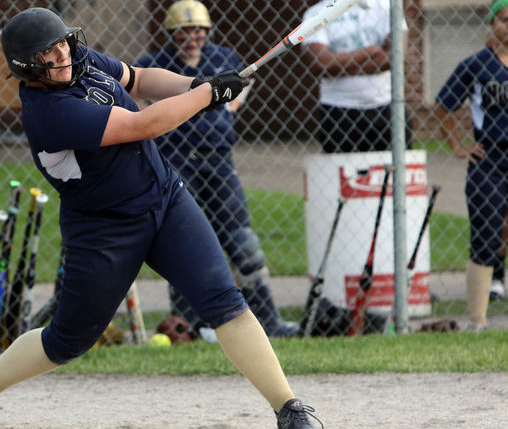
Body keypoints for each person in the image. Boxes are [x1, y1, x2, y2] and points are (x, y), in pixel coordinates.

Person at [0, 7, 323, 429]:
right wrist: (209, 95)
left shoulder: (80, 62)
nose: (63, 55)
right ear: (26, 67)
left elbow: (141, 80)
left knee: (224, 299)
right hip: (103, 229)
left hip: (165, 198)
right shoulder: (48, 112)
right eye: (48, 53)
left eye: (62, 44)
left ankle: (287, 406)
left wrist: (194, 84)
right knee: (68, 340)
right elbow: (144, 124)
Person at [133, 0, 298, 338]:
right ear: (171, 34)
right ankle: (188, 325)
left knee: (243, 243)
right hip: (175, 161)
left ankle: (268, 320)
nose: (191, 38)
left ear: (206, 33)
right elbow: (138, 99)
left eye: (197, 31)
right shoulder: (154, 65)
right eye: (182, 32)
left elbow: (238, 94)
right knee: (184, 242)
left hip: (218, 160)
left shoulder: (224, 59)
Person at [434, 0, 508, 331]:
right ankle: (478, 321)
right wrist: (457, 145)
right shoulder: (476, 65)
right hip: (489, 159)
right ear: (492, 24)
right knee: (486, 235)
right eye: (504, 19)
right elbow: (442, 106)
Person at [300, 0, 411, 153]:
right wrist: (370, 51)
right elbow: (322, 63)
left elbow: (394, 57)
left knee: (392, 169)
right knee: (342, 172)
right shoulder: (315, 14)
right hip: (338, 109)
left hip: (386, 105)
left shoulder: (385, 6)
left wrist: (340, 65)